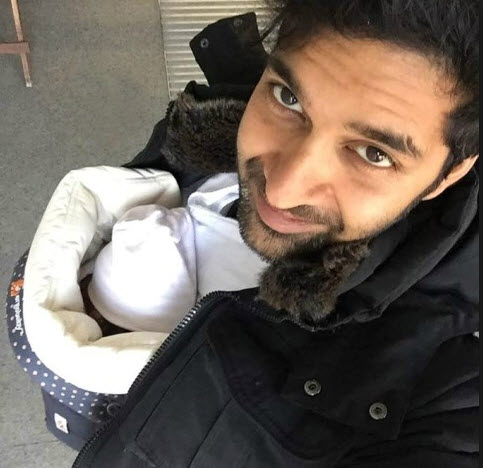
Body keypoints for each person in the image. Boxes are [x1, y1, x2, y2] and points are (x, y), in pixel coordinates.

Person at [73, 1, 479, 466]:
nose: (282, 190)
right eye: (289, 99)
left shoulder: (450, 394)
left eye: (373, 153)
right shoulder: (209, 124)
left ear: (450, 173)